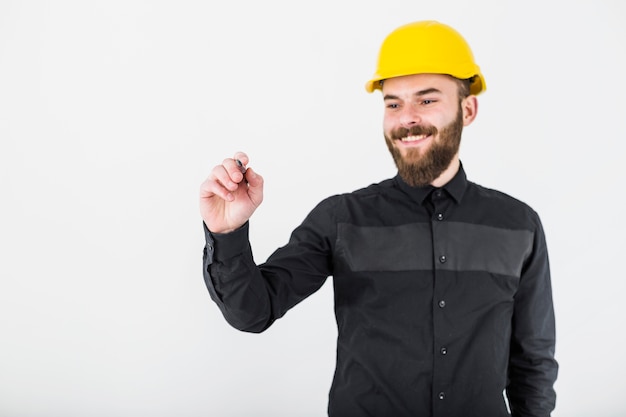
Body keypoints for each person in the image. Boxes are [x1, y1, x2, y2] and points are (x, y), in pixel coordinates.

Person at [199, 20, 558, 417]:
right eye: (393, 103)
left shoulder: (518, 225)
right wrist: (227, 232)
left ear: (467, 108)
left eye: (426, 100)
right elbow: (254, 312)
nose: (407, 118)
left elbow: (533, 365)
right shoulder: (341, 219)